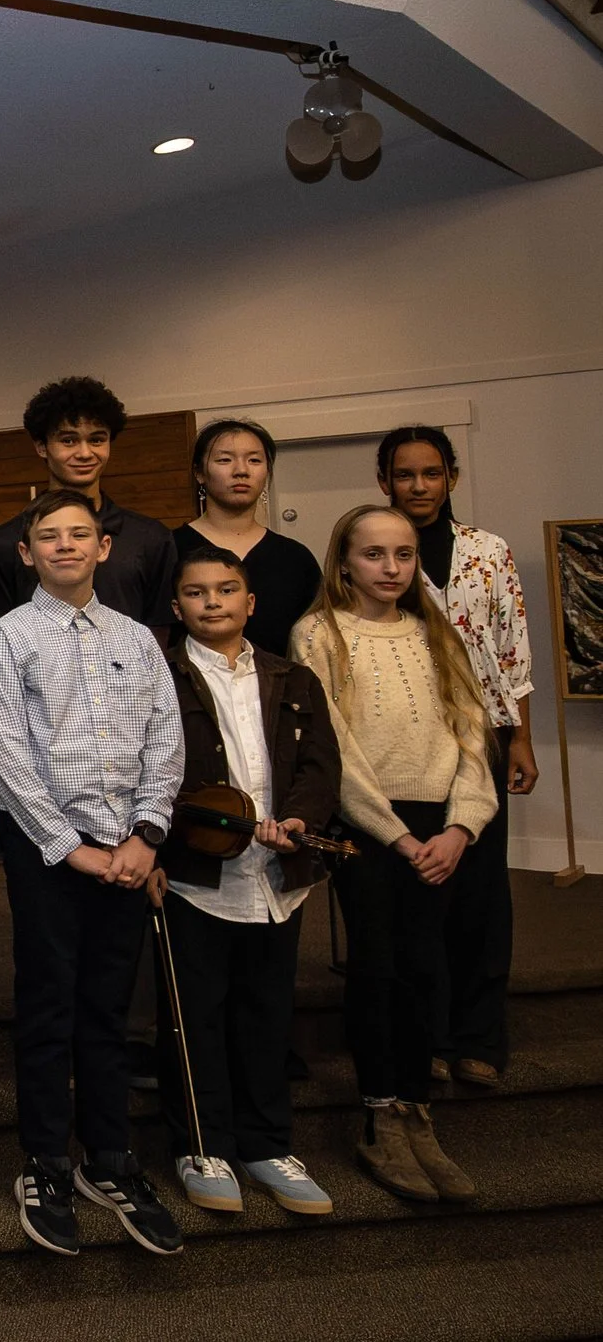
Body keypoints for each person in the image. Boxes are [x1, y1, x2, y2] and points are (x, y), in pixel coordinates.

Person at [0, 488, 186, 1259]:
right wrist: (71, 847)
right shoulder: (8, 638)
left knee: (107, 1011)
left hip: (127, 853)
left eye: (80, 535)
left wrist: (146, 836)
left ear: (102, 548)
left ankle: (111, 1159)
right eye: (49, 537)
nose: (65, 546)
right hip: (49, 855)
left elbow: (165, 741)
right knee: (48, 1006)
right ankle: (44, 1160)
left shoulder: (137, 637)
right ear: (27, 553)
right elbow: (6, 752)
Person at [291, 505, 496, 1206]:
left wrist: (461, 827)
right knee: (378, 965)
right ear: (344, 561)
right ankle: (379, 1114)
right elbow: (332, 745)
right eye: (374, 554)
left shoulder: (436, 633)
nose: (390, 568)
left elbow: (473, 735)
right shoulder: (318, 633)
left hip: (440, 827)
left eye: (403, 555)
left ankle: (417, 1109)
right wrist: (397, 835)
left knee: (427, 965)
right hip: (370, 827)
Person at [155, 547, 342, 1218]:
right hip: (197, 878)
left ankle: (267, 1143)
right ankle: (202, 1144)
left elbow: (321, 765)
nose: (212, 602)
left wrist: (299, 817)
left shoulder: (293, 676)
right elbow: (154, 774)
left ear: (251, 602)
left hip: (276, 878)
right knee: (195, 1017)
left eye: (226, 589)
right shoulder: (162, 677)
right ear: (177, 608)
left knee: (267, 1014)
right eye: (197, 592)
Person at [378, 425, 535, 1089]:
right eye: (405, 475)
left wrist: (519, 737)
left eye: (432, 473)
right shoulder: (378, 552)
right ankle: (430, 1036)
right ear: (385, 481)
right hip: (408, 742)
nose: (419, 486)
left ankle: (480, 1036)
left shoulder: (486, 552)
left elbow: (511, 652)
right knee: (421, 894)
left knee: (479, 893)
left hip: (484, 740)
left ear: (452, 479)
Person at [0, 377, 177, 630]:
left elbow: (160, 637)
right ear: (42, 447)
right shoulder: (5, 543)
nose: (85, 453)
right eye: (68, 440)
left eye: (96, 440)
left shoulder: (150, 538)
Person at [173, 419, 318, 657]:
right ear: (199, 472)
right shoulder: (168, 548)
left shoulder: (295, 558)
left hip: (280, 689)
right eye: (224, 460)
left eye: (254, 460)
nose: (241, 470)